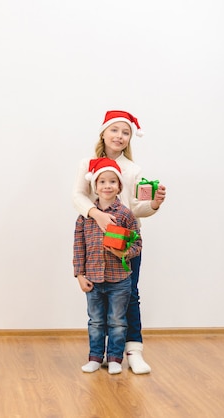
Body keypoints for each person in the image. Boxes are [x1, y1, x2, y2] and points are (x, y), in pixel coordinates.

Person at [72, 110, 166, 374]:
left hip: (126, 243)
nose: (120, 136)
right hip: (96, 243)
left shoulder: (133, 170)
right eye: (115, 130)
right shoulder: (86, 164)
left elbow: (137, 208)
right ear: (104, 132)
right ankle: (100, 354)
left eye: (126, 132)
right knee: (99, 303)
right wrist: (97, 215)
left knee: (130, 295)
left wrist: (154, 204)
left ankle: (133, 351)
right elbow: (78, 195)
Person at [73, 157, 142, 374]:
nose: (107, 186)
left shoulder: (125, 215)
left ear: (119, 186)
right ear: (95, 186)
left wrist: (125, 252)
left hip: (119, 279)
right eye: (102, 182)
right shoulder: (85, 217)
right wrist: (79, 274)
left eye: (112, 182)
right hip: (93, 278)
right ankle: (95, 357)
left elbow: (137, 242)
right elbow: (78, 246)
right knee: (95, 322)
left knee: (117, 321)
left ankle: (114, 358)